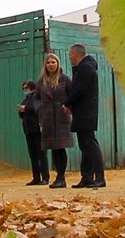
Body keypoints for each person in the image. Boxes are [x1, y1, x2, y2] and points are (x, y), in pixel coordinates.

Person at [64, 43, 105, 188]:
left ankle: (99, 177)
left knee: (90, 144)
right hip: (82, 112)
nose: (69, 57)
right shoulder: (82, 68)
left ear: (75, 54)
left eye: (70, 54)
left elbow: (79, 90)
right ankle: (87, 177)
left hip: (85, 112)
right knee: (85, 145)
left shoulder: (86, 68)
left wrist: (67, 103)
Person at [36, 52, 72, 189]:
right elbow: (35, 99)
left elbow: (72, 95)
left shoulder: (65, 79)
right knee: (53, 149)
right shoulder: (41, 81)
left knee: (60, 148)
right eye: (48, 62)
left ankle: (61, 178)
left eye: (53, 62)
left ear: (58, 64)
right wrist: (40, 109)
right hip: (47, 119)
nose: (51, 65)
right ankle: (58, 178)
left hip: (61, 118)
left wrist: (67, 106)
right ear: (45, 65)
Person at [18, 79, 48, 186]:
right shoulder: (25, 100)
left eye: (26, 87)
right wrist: (21, 110)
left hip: (37, 129)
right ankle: (36, 177)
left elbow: (38, 108)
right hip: (28, 130)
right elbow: (22, 115)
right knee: (33, 155)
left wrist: (26, 108)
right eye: (23, 88)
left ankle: (45, 177)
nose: (25, 90)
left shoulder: (37, 97)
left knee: (41, 154)